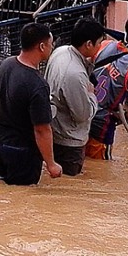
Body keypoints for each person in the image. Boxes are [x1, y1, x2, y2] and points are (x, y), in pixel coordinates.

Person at [0, 22, 61, 185]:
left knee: (0, 189)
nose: (52, 47)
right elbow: (42, 129)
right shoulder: (38, 84)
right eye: (51, 44)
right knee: (23, 196)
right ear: (42, 46)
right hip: (22, 151)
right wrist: (51, 164)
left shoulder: (6, 64)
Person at [86, 14, 128, 160]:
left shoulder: (106, 45)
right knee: (100, 166)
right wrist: (122, 119)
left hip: (84, 111)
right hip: (103, 122)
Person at [44, 17, 103, 176]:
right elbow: (82, 115)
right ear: (89, 44)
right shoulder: (75, 74)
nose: (100, 48)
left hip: (53, 131)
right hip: (69, 142)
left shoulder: (60, 51)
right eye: (99, 43)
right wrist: (91, 96)